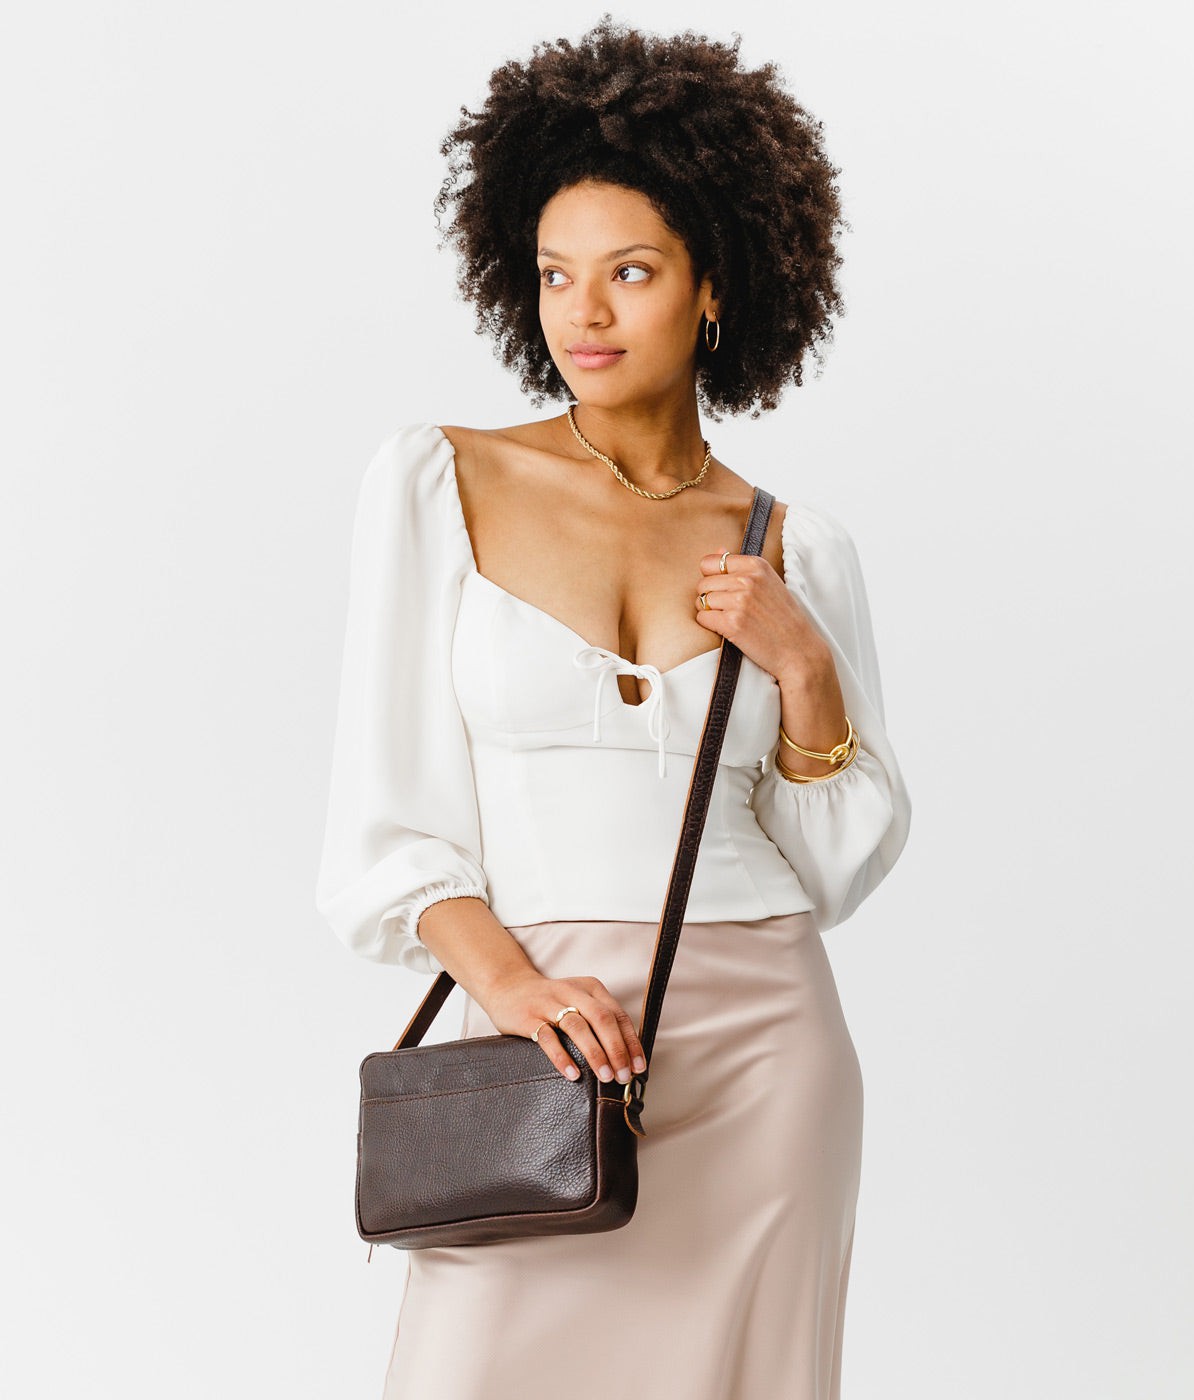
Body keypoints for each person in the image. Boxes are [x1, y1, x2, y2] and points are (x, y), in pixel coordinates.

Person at [315, 19, 913, 1399]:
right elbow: (385, 832)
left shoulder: (796, 547)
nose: (582, 313)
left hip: (767, 1056)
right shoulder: (440, 482)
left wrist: (806, 668)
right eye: (555, 275)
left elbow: (834, 868)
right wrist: (512, 987)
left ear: (715, 289)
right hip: (541, 1043)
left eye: (630, 273)